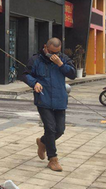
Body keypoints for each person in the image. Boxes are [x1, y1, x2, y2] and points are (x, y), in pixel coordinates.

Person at [21, 38, 76, 172]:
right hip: (43, 99)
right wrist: (34, 83)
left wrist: (60, 64)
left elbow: (73, 74)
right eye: (51, 52)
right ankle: (53, 159)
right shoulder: (36, 60)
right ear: (45, 47)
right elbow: (25, 74)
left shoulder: (63, 59)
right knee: (50, 128)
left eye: (57, 52)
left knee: (60, 130)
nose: (54, 55)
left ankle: (43, 142)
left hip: (59, 99)